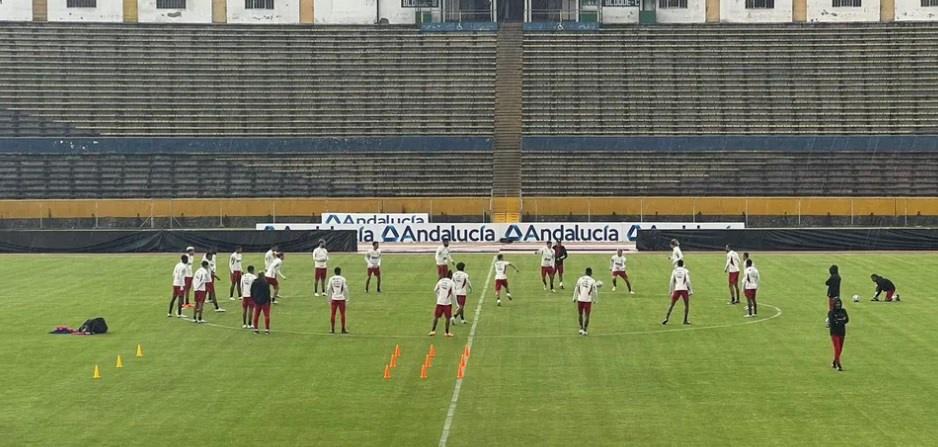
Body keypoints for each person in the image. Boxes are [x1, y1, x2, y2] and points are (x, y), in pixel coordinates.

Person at [662, 259, 693, 325]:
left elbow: (671, 281)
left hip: (677, 289)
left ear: (677, 264)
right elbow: (688, 281)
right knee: (686, 305)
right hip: (684, 289)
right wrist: (690, 290)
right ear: (683, 264)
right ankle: (685, 320)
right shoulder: (685, 271)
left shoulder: (674, 271)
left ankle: (666, 318)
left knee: (672, 304)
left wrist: (670, 290)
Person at [573, 267, 599, 336]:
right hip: (587, 300)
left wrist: (574, 298)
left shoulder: (580, 279)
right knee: (587, 315)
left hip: (580, 299)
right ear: (591, 273)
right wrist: (595, 300)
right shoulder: (592, 281)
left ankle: (581, 328)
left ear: (585, 272)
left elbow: (576, 288)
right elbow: (595, 291)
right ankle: (585, 330)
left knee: (580, 314)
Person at [429, 270, 456, 337]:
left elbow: (435, 290)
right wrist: (453, 300)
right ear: (451, 276)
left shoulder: (440, 281)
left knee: (436, 317)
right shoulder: (451, 282)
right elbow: (453, 293)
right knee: (447, 318)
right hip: (447, 303)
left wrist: (439, 296)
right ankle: (446, 332)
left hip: (439, 302)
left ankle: (433, 331)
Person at [827, 297, 849, 371]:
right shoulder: (831, 312)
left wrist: (838, 320)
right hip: (834, 333)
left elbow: (847, 319)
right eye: (836, 303)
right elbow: (833, 322)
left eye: (839, 303)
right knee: (837, 348)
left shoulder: (843, 311)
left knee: (840, 349)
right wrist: (841, 320)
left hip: (842, 332)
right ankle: (838, 364)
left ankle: (834, 361)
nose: (838, 305)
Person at [328, 267, 349, 334]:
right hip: (341, 299)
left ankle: (332, 329)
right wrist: (347, 298)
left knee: (333, 314)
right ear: (340, 272)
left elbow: (328, 288)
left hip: (334, 298)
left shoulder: (331, 278)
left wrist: (329, 298)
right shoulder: (342, 279)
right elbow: (345, 288)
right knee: (342, 314)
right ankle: (343, 329)